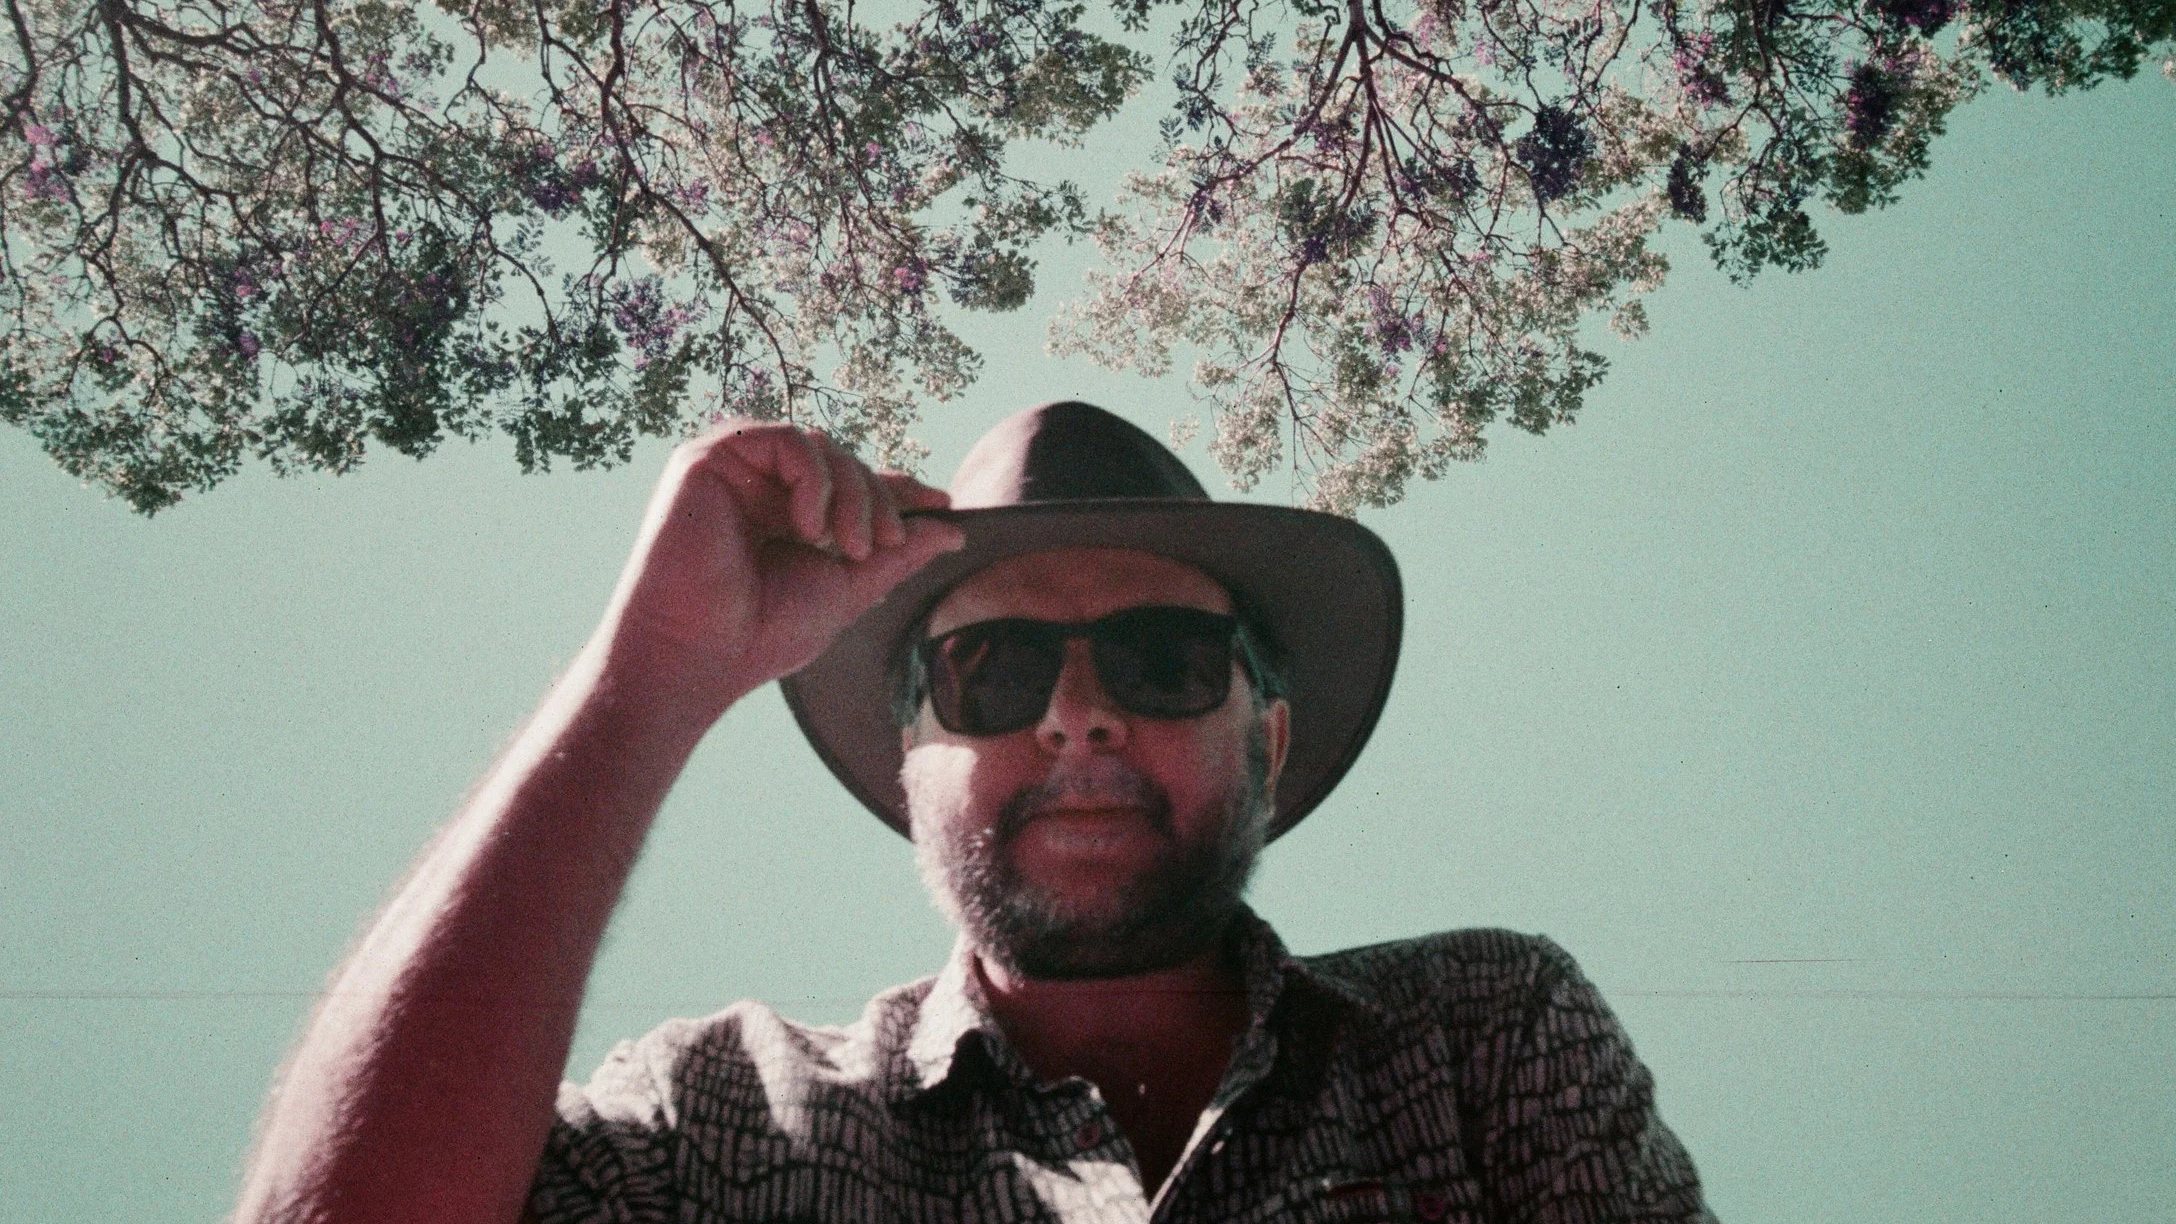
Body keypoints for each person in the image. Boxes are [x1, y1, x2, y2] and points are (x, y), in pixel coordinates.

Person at [234, 401, 1715, 1224]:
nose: (1081, 713)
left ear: (1266, 730)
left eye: (1161, 658)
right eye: (994, 671)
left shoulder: (1482, 1032)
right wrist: (653, 678)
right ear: (909, 761)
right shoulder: (717, 1116)